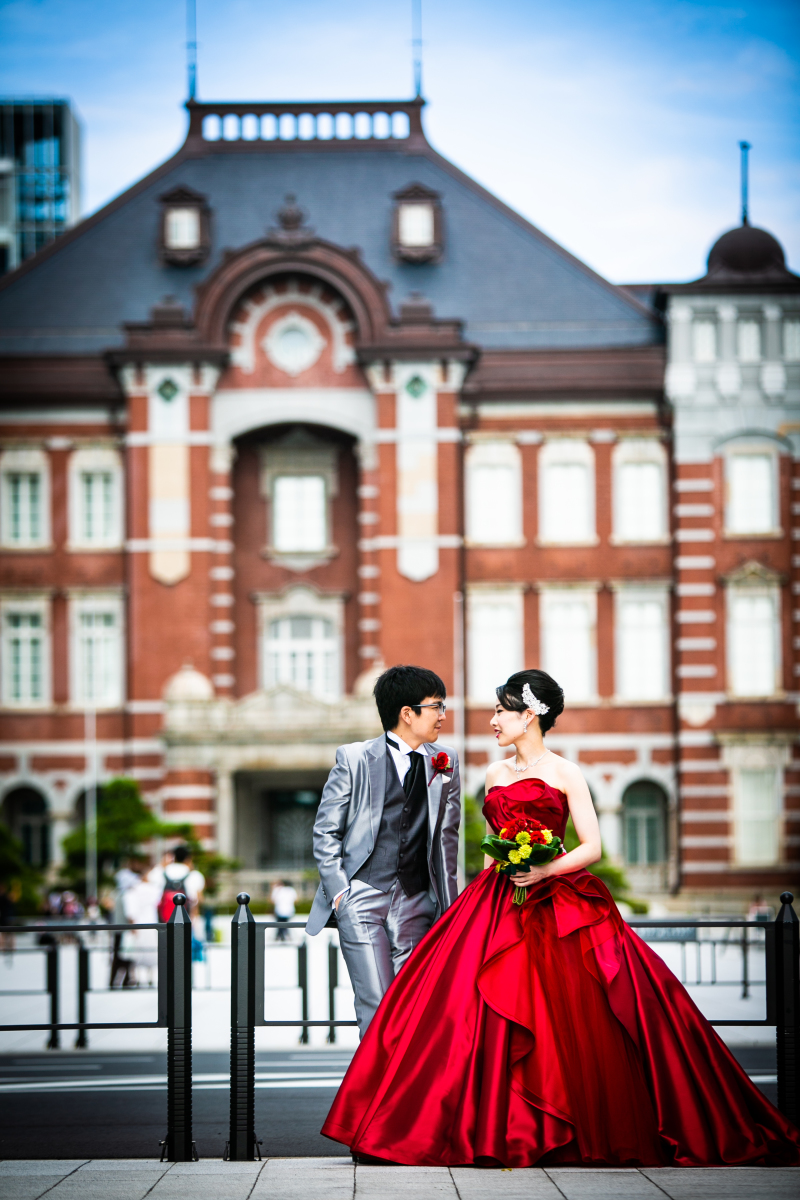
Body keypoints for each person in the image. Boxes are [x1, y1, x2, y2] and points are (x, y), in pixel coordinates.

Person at [322, 668, 800, 1167]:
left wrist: (547, 868)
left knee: (573, 1015)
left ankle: (564, 1124)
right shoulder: (492, 773)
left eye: (501, 712)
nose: (492, 721)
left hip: (558, 898)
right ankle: (468, 1125)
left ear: (529, 715)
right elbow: (487, 849)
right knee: (466, 1016)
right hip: (494, 899)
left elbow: (591, 846)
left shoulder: (566, 772)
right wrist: (473, 898)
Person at [308, 664, 461, 1037]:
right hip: (361, 896)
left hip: (417, 900)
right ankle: (374, 1094)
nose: (443, 715)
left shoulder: (446, 762)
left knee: (414, 1008)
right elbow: (326, 831)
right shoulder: (355, 759)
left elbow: (448, 840)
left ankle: (407, 1093)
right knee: (376, 1007)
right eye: (436, 706)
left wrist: (450, 907)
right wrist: (341, 892)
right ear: (407, 713)